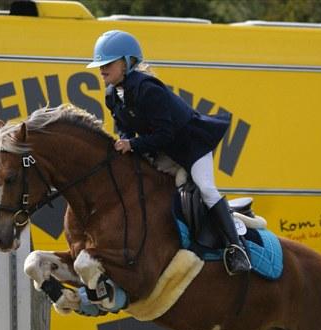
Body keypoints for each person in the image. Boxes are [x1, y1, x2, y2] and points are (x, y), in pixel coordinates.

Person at [86, 30, 251, 275]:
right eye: (100, 65)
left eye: (107, 64)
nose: (101, 70)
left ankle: (236, 249)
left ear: (128, 62)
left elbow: (166, 134)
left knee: (206, 188)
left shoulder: (148, 89)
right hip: (161, 149)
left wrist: (133, 145)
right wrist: (125, 142)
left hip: (190, 145)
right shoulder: (113, 94)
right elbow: (123, 127)